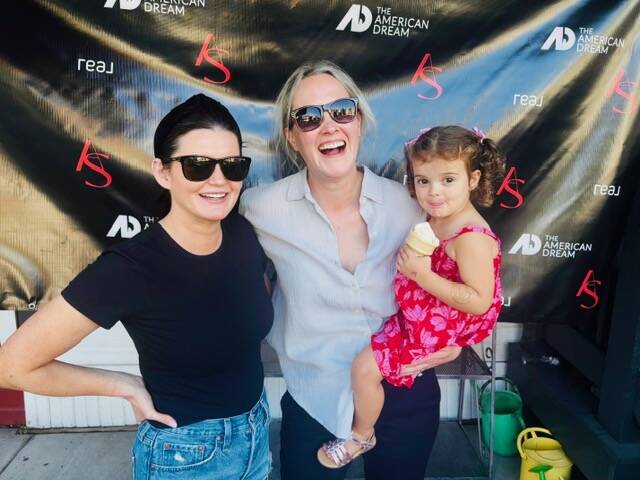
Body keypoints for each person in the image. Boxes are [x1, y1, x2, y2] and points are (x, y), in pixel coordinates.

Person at [0, 94, 273, 480]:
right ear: (163, 172)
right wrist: (123, 385)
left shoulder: (243, 233)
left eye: (233, 165)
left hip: (257, 432)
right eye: (197, 165)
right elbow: (11, 366)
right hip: (186, 454)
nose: (218, 179)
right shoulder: (132, 268)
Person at [239, 61, 463, 480]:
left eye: (341, 111)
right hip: (314, 395)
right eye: (308, 117)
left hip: (405, 389)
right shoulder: (260, 208)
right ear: (292, 136)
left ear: (358, 120)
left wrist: (458, 337)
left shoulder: (411, 205)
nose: (328, 126)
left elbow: (468, 264)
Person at [317, 125, 506, 468]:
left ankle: (360, 436)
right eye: (423, 180)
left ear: (474, 179)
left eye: (448, 180)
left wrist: (422, 275)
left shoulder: (472, 237)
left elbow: (479, 300)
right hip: (414, 318)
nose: (434, 192)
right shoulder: (436, 217)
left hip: (431, 331)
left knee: (363, 369)